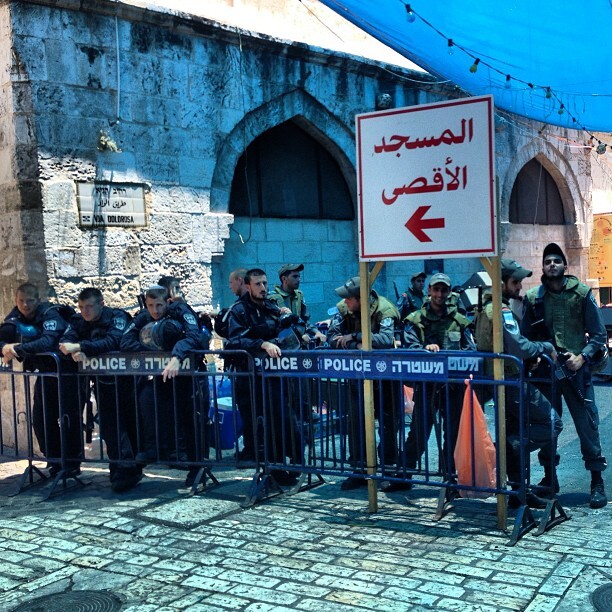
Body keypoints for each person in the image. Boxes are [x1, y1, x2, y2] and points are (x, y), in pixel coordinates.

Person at [522, 243, 608, 509]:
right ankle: (550, 478)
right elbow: (525, 337)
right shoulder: (533, 297)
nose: (552, 265)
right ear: (543, 267)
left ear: (565, 266)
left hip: (576, 373)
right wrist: (534, 358)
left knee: (587, 425)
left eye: (556, 261)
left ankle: (596, 480)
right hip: (546, 375)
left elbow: (598, 335)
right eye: (547, 261)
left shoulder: (581, 294)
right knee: (548, 425)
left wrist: (582, 357)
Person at [474, 259, 562, 509]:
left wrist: (526, 359)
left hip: (503, 377)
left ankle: (518, 491)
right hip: (508, 381)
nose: (519, 287)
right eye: (515, 282)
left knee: (517, 429)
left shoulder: (487, 307)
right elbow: (517, 346)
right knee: (552, 422)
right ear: (501, 283)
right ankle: (511, 447)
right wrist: (544, 347)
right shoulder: (498, 309)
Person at [120, 285, 208, 487]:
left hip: (189, 376)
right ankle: (154, 448)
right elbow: (125, 340)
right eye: (151, 305)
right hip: (163, 377)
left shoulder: (181, 311)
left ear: (167, 302)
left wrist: (176, 356)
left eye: (159, 305)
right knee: (146, 400)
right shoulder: (144, 316)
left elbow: (193, 336)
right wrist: (153, 351)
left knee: (191, 422)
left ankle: (198, 470)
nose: (155, 310)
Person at [58, 287, 142, 493]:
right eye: (81, 307)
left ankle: (131, 467)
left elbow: (114, 341)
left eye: (89, 306)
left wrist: (82, 347)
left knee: (130, 423)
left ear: (101, 304)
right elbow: (63, 342)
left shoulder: (117, 317)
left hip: (128, 379)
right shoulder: (78, 321)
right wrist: (77, 349)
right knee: (110, 425)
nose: (84, 311)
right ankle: (122, 469)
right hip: (104, 383)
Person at [225, 268, 301, 485]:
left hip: (275, 375)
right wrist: (261, 344)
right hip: (251, 378)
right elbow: (235, 340)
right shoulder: (239, 311)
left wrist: (287, 321)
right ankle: (274, 470)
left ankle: (295, 463)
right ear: (247, 286)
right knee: (263, 424)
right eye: (258, 284)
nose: (263, 288)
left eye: (265, 283)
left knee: (284, 419)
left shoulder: (271, 307)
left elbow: (283, 329)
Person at [399, 273, 474, 491]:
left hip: (452, 388)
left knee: (451, 435)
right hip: (427, 387)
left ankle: (449, 480)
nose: (439, 294)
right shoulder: (415, 320)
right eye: (436, 289)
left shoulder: (459, 321)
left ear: (449, 293)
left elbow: (471, 350)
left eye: (444, 290)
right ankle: (404, 474)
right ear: (429, 291)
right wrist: (425, 350)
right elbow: (410, 347)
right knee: (418, 433)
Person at [327, 276, 401, 490]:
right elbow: (332, 337)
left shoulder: (385, 310)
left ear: (361, 298)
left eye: (349, 298)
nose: (345, 302)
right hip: (357, 376)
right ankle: (359, 470)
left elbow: (386, 340)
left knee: (388, 424)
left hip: (385, 376)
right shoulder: (343, 308)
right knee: (356, 423)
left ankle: (389, 469)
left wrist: (355, 336)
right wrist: (356, 342)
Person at [0, 283, 81, 476]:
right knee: (41, 418)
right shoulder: (16, 315)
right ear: (16, 301)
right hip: (45, 373)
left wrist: (16, 349)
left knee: (68, 417)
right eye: (21, 301)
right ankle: (53, 459)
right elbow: (4, 334)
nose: (25, 305)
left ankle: (72, 462)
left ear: (38, 300)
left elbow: (48, 341)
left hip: (66, 371)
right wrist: (4, 347)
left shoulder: (50, 313)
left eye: (30, 300)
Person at [268, 263, 326, 345]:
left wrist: (316, 332)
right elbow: (275, 327)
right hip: (280, 345)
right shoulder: (272, 298)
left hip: (300, 343)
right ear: (284, 279)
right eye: (295, 276)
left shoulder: (299, 296)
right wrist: (299, 334)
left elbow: (304, 321)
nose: (299, 279)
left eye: (299, 276)